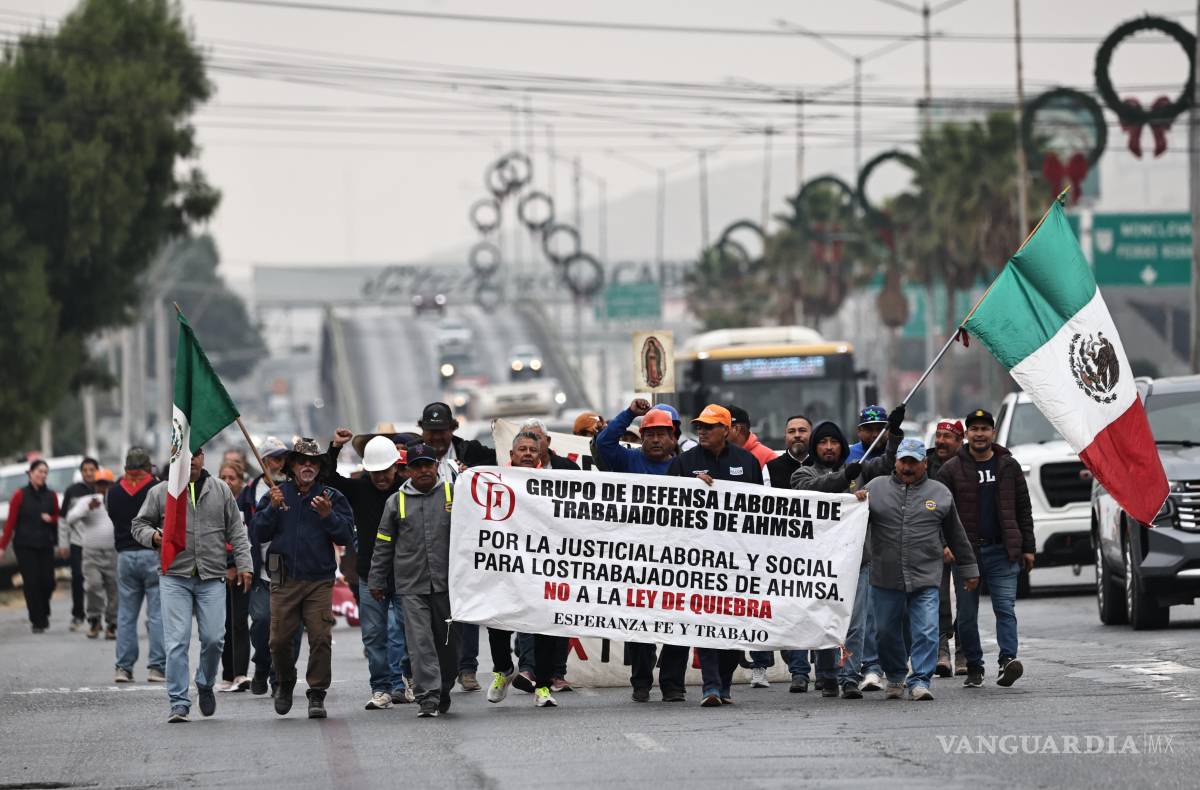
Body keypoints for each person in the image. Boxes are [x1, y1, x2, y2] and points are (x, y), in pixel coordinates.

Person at [132, 446, 253, 723]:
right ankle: (178, 701)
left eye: (196, 454)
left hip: (212, 576)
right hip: (174, 576)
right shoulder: (162, 491)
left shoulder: (220, 489)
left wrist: (245, 565)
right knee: (177, 641)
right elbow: (138, 524)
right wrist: (154, 537)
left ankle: (205, 682)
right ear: (176, 458)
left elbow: (236, 528)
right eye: (186, 455)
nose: (192, 460)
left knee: (213, 638)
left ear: (203, 458)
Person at [790, 407, 904, 699]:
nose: (829, 448)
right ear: (815, 447)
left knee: (855, 623)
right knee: (823, 621)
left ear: (842, 445)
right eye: (823, 443)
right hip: (819, 563)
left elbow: (890, 463)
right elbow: (813, 490)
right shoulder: (803, 473)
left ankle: (850, 676)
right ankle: (827, 674)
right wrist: (843, 479)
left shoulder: (861, 468)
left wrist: (893, 434)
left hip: (857, 560)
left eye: (834, 443)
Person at [856, 438, 980, 701]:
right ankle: (896, 676)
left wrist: (969, 568)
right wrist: (854, 498)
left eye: (914, 462)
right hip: (884, 577)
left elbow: (956, 535)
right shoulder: (875, 488)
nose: (908, 467)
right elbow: (848, 517)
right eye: (904, 461)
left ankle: (920, 680)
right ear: (896, 462)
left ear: (925, 463)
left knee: (926, 630)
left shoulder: (940, 493)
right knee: (886, 632)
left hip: (925, 576)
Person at [668, 404, 763, 707]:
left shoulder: (747, 462)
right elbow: (667, 504)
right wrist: (690, 490)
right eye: (699, 426)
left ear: (727, 429)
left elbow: (764, 509)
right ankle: (710, 686)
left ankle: (723, 684)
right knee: (706, 623)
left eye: (709, 427)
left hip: (738, 559)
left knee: (735, 628)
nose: (702, 431)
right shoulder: (684, 463)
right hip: (699, 559)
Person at [253, 438, 355, 719]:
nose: (307, 465)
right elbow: (258, 533)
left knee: (320, 637)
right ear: (292, 466)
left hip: (319, 581)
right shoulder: (276, 493)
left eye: (313, 461)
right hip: (283, 580)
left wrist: (328, 516)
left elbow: (346, 536)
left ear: (319, 466)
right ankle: (284, 683)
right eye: (301, 461)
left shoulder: (332, 497)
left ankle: (316, 693)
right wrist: (272, 509)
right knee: (278, 641)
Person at [937, 409, 1035, 690]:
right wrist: (946, 545)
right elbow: (939, 515)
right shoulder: (951, 470)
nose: (979, 434)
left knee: (1005, 609)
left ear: (993, 433)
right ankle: (975, 665)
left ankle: (1007, 661)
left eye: (985, 429)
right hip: (967, 556)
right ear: (966, 434)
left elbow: (1023, 508)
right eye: (974, 429)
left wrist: (1028, 547)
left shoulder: (1008, 466)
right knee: (967, 616)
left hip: (1002, 552)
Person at [595, 400, 684, 702]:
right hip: (638, 558)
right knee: (640, 623)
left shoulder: (685, 466)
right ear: (641, 437)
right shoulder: (628, 460)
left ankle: (673, 684)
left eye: (662, 434)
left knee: (678, 623)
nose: (655, 440)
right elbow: (603, 442)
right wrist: (630, 414)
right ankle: (641, 682)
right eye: (649, 434)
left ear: (674, 437)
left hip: (678, 560)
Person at [369, 442, 458, 718]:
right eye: (416, 466)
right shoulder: (396, 502)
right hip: (411, 585)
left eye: (427, 465)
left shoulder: (453, 493)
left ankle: (444, 686)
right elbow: (383, 542)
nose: (423, 471)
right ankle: (427, 696)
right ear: (407, 471)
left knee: (448, 643)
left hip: (447, 584)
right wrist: (377, 579)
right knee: (420, 643)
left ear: (436, 466)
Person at [327, 428, 413, 710]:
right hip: (368, 575)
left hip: (404, 574)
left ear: (395, 467)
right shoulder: (360, 490)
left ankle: (403, 682)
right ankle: (381, 688)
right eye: (375, 472)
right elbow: (327, 477)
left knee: (404, 630)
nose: (380, 478)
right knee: (374, 635)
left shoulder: (408, 491)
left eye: (385, 472)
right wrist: (335, 448)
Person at [486, 431, 569, 709]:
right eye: (522, 449)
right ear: (511, 455)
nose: (527, 453)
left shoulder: (554, 484)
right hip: (507, 568)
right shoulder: (495, 482)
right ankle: (503, 669)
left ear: (540, 455)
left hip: (542, 567)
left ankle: (543, 686)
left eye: (533, 450)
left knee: (545, 627)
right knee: (498, 623)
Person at [417, 401, 496, 691]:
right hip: (428, 544)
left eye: (442, 431)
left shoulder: (471, 451)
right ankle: (429, 668)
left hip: (466, 543)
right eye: (431, 431)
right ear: (422, 431)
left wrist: (474, 473)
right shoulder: (414, 456)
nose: (436, 437)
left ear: (453, 429)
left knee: (468, 606)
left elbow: (507, 466)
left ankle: (467, 668)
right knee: (430, 610)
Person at [108, 448, 165, 683]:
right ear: (148, 467)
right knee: (157, 615)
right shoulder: (156, 487)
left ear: (126, 468)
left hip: (125, 556)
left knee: (126, 615)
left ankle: (123, 667)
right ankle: (157, 667)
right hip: (152, 553)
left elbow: (113, 517)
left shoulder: (113, 492)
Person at [238, 436, 288, 696]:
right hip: (258, 567)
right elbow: (240, 529)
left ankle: (279, 676)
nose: (281, 464)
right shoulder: (249, 492)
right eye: (276, 459)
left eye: (284, 459)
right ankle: (261, 663)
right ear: (265, 461)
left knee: (285, 627)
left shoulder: (293, 487)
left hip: (287, 567)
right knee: (260, 620)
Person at [0, 460, 61, 633]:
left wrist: (52, 519)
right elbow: (10, 524)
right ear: (30, 473)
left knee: (48, 582)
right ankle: (38, 620)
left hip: (45, 544)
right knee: (32, 583)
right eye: (39, 471)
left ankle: (43, 608)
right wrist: (2, 547)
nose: (42, 475)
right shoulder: (19, 495)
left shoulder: (51, 495)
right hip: (24, 545)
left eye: (45, 472)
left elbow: (59, 517)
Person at [927, 420, 966, 677]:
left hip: (964, 543)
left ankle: (964, 651)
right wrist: (941, 543)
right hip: (930, 543)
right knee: (936, 600)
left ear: (959, 442)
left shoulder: (968, 465)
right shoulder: (924, 464)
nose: (941, 441)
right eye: (938, 436)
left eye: (947, 437)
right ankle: (942, 652)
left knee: (966, 600)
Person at [65, 467, 119, 640]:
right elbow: (70, 518)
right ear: (95, 485)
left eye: (106, 484)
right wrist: (87, 508)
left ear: (112, 485)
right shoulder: (87, 501)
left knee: (113, 589)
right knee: (93, 586)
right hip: (91, 553)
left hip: (113, 552)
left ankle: (112, 624)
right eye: (99, 484)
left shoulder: (117, 499)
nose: (102, 487)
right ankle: (94, 620)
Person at [216, 461, 253, 693]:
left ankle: (240, 673)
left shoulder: (246, 504)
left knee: (239, 623)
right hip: (218, 572)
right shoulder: (214, 503)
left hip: (242, 572)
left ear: (241, 481)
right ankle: (227, 674)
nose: (228, 482)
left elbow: (245, 539)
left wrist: (237, 566)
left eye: (233, 478)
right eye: (224, 477)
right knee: (222, 627)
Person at [60, 457, 100, 631]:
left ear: (97, 471)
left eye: (92, 469)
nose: (89, 473)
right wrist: (63, 543)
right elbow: (63, 519)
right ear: (81, 472)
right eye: (85, 470)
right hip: (77, 542)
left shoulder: (105, 488)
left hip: (98, 543)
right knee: (77, 578)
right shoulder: (72, 491)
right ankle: (77, 615)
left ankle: (97, 616)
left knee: (96, 582)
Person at [764, 415, 812, 489]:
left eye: (802, 430)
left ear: (812, 436)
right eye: (791, 431)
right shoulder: (770, 468)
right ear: (785, 438)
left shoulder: (824, 466)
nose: (797, 435)